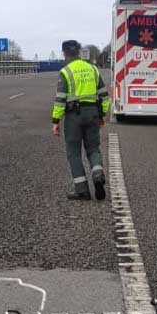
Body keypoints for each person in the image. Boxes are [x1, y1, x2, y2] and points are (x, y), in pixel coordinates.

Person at [51, 40, 110, 200]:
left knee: (74, 153)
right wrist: (102, 114)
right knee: (93, 149)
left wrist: (56, 121)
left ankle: (82, 190)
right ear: (78, 52)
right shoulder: (93, 69)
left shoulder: (66, 71)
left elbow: (60, 99)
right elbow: (104, 95)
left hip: (73, 116)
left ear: (64, 53)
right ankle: (97, 174)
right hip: (93, 113)